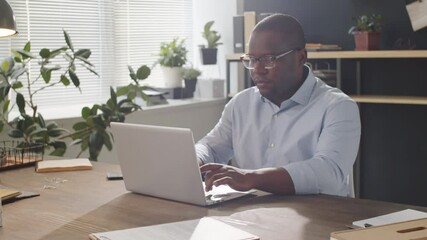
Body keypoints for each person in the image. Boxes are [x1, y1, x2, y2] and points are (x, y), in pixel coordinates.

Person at [195, 13, 361, 197]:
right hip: (253, 217)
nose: (257, 70)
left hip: (319, 219)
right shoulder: (240, 105)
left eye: (269, 59)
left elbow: (328, 173)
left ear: (301, 57)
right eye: (252, 59)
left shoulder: (338, 107)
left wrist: (250, 178)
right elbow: (210, 147)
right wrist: (197, 158)